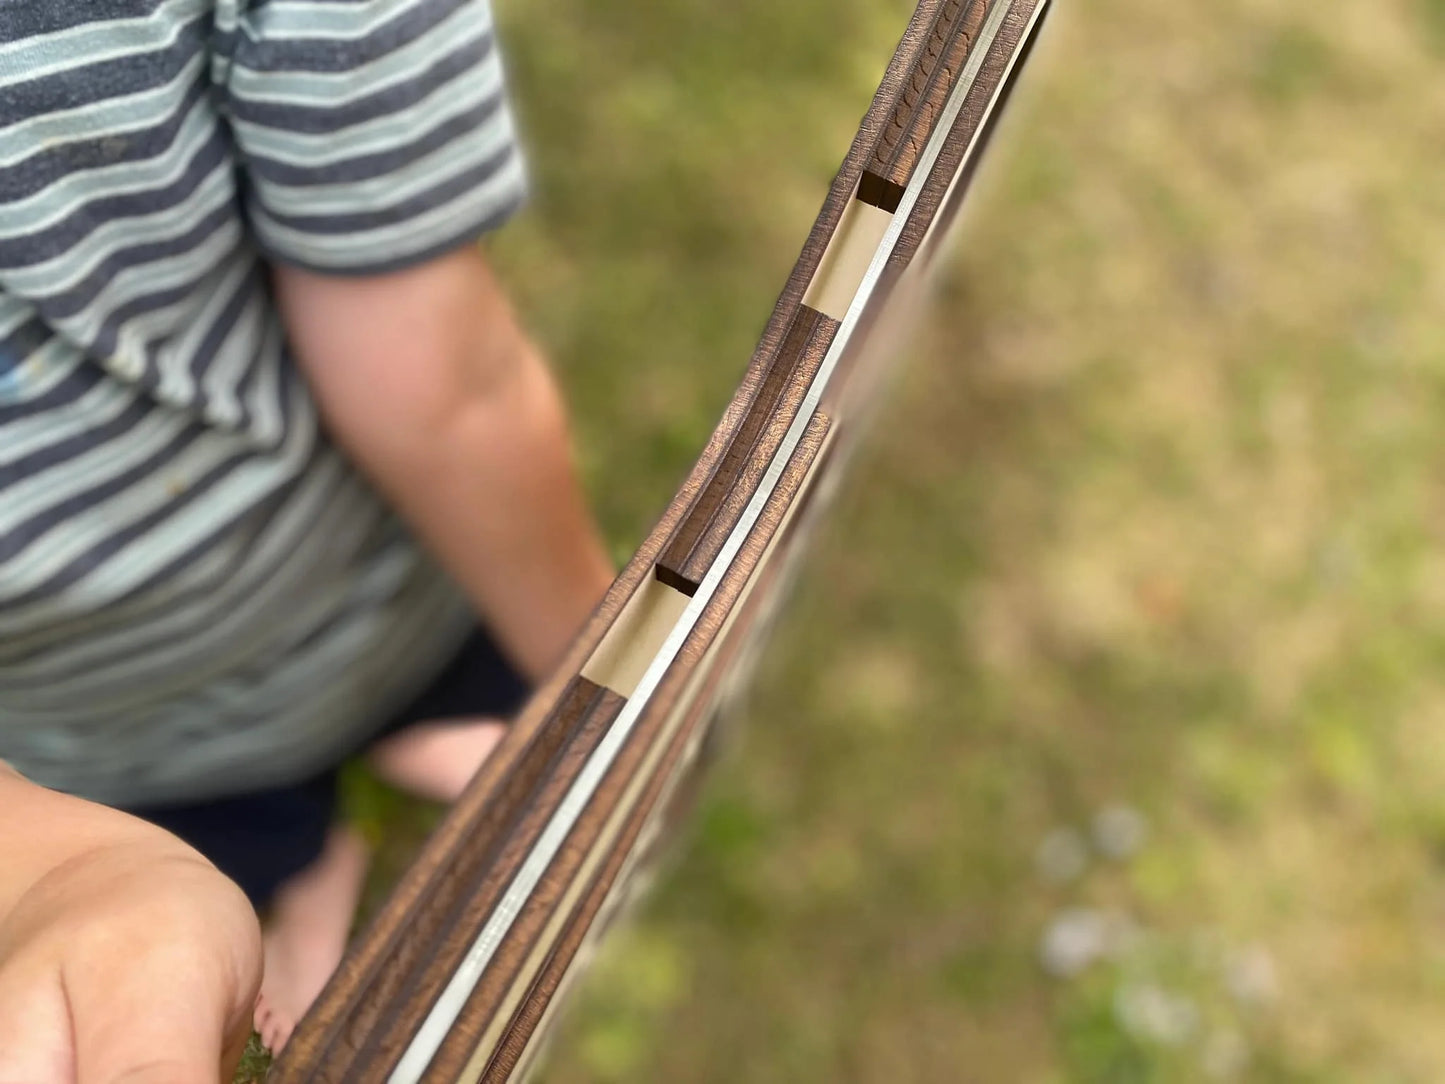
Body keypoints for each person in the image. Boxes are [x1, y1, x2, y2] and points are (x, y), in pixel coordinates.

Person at [0, 0, 615, 1077]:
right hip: (98, 753)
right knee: (231, 851)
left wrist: (602, 686)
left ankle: (363, 758)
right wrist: (53, 866)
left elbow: (443, 388)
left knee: (415, 694)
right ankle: (296, 847)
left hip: (351, 602)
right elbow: (444, 388)